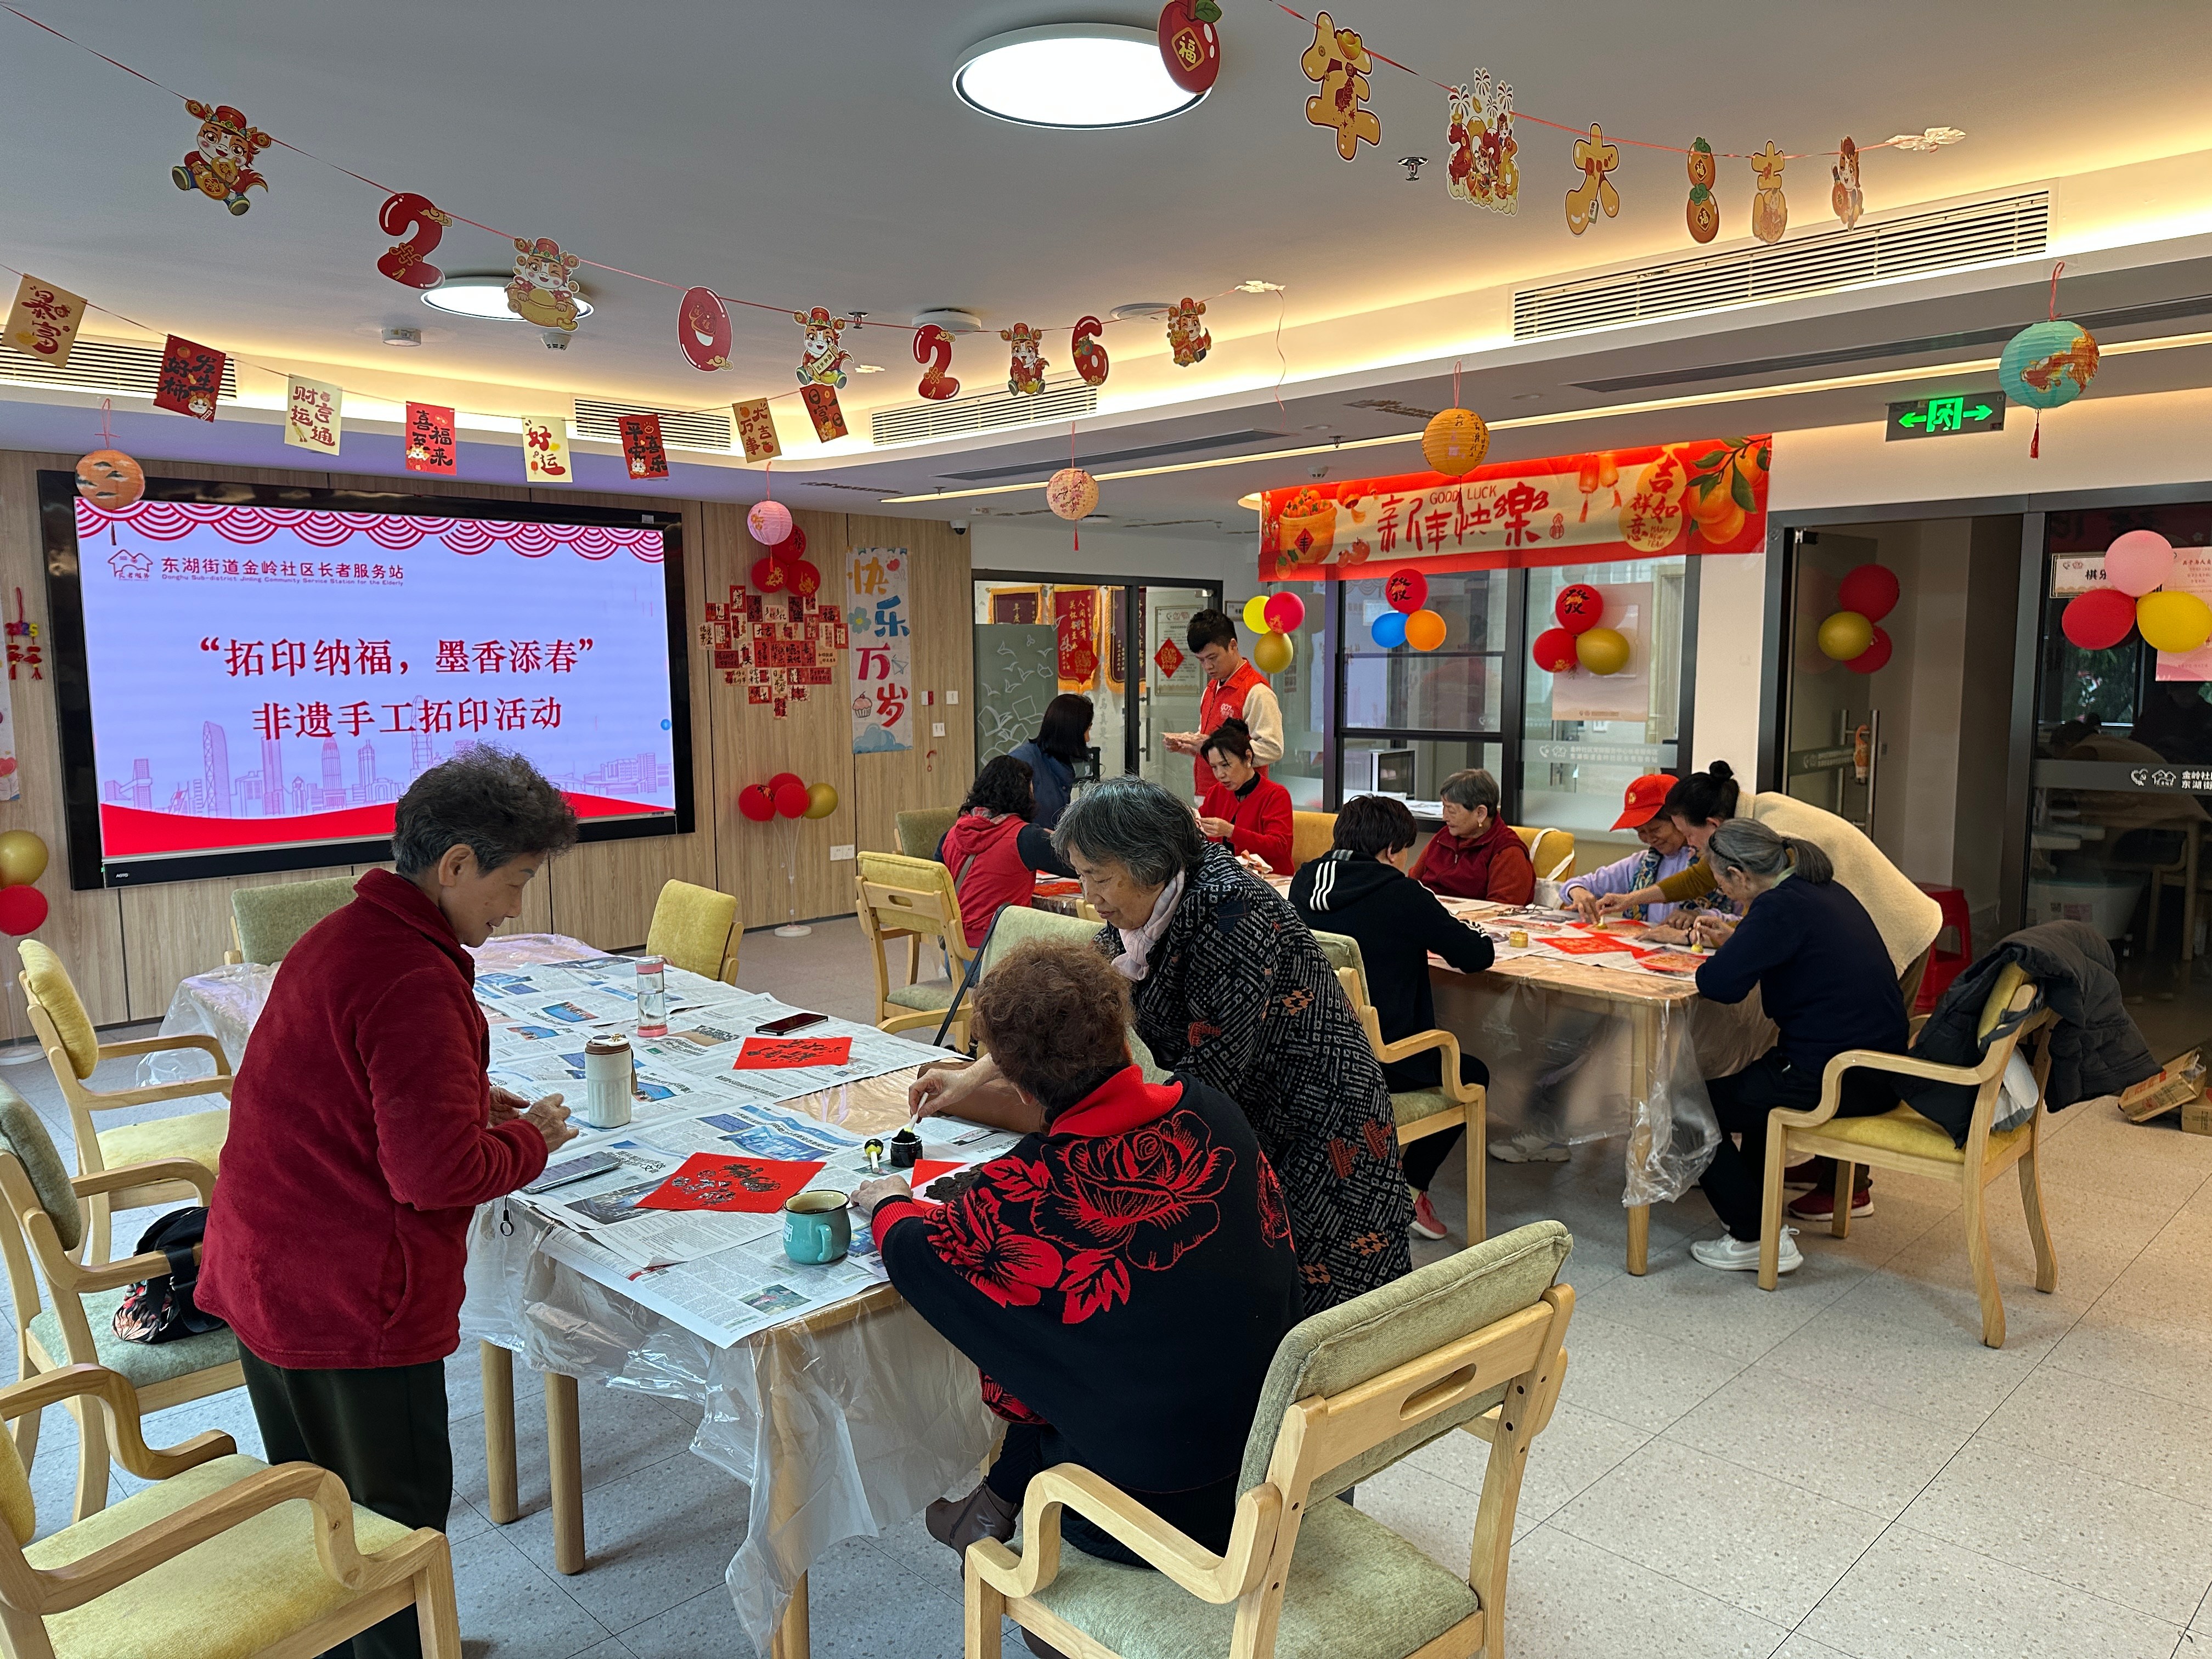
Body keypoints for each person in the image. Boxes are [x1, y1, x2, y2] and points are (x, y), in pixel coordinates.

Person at [199, 749, 582, 1659]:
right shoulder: (413, 975)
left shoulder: (346, 934)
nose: (515, 906)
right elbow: (437, 1175)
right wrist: (534, 1140)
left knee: (326, 1512)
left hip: (266, 1269)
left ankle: (372, 1646)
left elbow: (346, 1090)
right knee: (393, 1526)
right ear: (456, 863)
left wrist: (465, 1099)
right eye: (515, 881)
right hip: (348, 1296)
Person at [855, 940, 1300, 1570]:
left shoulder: (1026, 1188)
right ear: (1120, 1032)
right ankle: (987, 1507)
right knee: (1090, 1326)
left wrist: (889, 1202)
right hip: (1272, 1459)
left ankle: (1003, 1522)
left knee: (1042, 1336)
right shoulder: (1213, 1112)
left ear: (1019, 1086)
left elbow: (919, 1254)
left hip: (1147, 1507)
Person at [911, 775, 1410, 1316]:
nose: (1089, 896)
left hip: (1316, 1126)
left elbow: (1208, 1081)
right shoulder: (1141, 913)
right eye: (1082, 875)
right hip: (1244, 1116)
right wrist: (970, 1078)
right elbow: (1067, 1014)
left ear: (1148, 862)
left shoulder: (1232, 911)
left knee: (1328, 1312)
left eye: (1099, 877)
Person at [1685, 819, 1908, 1276]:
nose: (1725, 894)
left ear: (1739, 875)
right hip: (1878, 1067)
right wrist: (1741, 940)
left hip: (1834, 1076)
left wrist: (1735, 948)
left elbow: (1719, 984)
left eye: (1721, 882)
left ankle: (1753, 1236)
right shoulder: (1822, 890)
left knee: (1684, 1106)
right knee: (1756, 1090)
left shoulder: (1776, 907)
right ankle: (1757, 1216)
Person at [1290, 795, 1493, 1242]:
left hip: (1317, 1051)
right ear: (1392, 851)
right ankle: (1411, 1189)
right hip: (1386, 1062)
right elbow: (1475, 955)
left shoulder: (1304, 881)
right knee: (1473, 1073)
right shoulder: (1401, 893)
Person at [938, 754, 1079, 947]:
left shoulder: (951, 835)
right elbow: (1081, 865)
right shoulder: (1025, 837)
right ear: (1024, 795)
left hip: (956, 949)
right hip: (1001, 951)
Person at [1598, 760, 1740, 922]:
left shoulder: (1751, 846)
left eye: (1689, 834)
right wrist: (1630, 899)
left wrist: (1701, 920)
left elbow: (1753, 923)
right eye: (1641, 832)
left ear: (1713, 824)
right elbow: (1696, 880)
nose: (1690, 843)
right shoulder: (1640, 862)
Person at [1564, 773, 1702, 939]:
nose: (1650, 839)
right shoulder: (1640, 864)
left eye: (1656, 829)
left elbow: (1732, 920)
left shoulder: (1710, 864)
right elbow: (1576, 884)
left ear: (1679, 821)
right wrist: (1578, 891)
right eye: (1641, 832)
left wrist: (1699, 915)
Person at [1164, 607, 1282, 798]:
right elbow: (1210, 742)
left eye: (1213, 658)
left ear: (1233, 646)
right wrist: (1186, 746)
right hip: (1207, 794)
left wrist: (1217, 748)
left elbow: (1273, 748)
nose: (1208, 666)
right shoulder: (1212, 688)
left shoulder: (1256, 691)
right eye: (1201, 660)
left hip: (1241, 798)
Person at [1408, 769, 1534, 904]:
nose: (1445, 817)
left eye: (1451, 811)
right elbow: (1412, 883)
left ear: (1480, 813)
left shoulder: (1507, 851)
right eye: (1444, 807)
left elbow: (1503, 909)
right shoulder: (1442, 838)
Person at [1197, 717, 1295, 874]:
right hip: (1226, 878)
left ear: (1248, 757)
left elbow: (1280, 846)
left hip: (1270, 880)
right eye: (1214, 767)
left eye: (1226, 765)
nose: (1220, 774)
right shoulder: (1216, 792)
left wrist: (1231, 831)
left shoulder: (1276, 795)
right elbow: (1200, 830)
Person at [1008, 692, 1093, 830]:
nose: (1088, 739)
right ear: (1070, 731)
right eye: (1087, 730)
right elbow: (1007, 826)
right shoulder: (1021, 763)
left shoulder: (1061, 761)